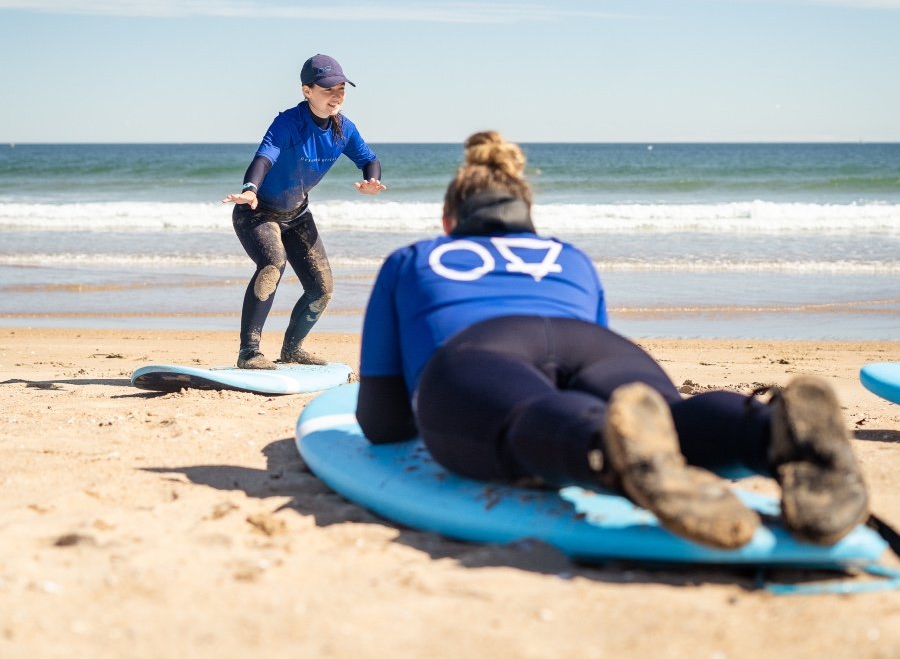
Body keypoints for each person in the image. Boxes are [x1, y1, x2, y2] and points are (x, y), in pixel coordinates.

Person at [356, 131, 869, 549]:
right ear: (529, 220)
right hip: (594, 345)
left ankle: (602, 448)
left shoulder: (413, 258)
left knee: (526, 415)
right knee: (664, 420)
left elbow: (381, 421)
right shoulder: (570, 258)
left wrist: (439, 407)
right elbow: (612, 386)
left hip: (483, 349)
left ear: (449, 222)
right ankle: (771, 434)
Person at [223, 54, 385, 370]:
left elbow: (369, 159)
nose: (336, 95)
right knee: (273, 263)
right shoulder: (288, 122)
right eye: (327, 89)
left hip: (296, 214)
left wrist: (372, 180)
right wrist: (250, 189)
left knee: (321, 289)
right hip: (257, 212)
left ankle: (293, 349)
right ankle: (249, 352)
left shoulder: (344, 129)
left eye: (341, 88)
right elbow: (264, 158)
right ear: (307, 90)